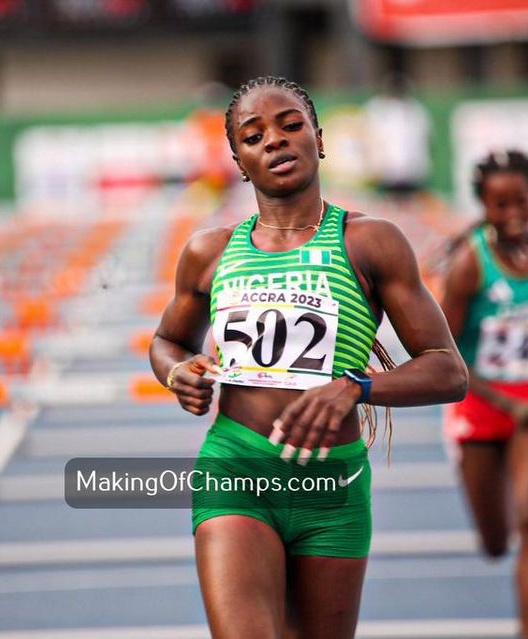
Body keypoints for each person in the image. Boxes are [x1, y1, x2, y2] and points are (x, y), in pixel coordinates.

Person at [149, 76, 467, 638]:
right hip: (237, 468)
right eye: (254, 136)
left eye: (290, 125)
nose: (274, 140)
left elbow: (447, 368)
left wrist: (357, 386)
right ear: (240, 162)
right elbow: (167, 342)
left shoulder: (370, 242)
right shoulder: (209, 252)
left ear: (318, 139)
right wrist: (178, 372)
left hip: (332, 486)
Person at [440, 149, 528, 639]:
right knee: (496, 542)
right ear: (483, 206)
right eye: (500, 204)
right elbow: (444, 355)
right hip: (479, 403)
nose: (513, 212)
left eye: (521, 200)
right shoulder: (468, 266)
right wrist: (504, 399)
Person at [362, 73, 432, 200]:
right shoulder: (375, 109)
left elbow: (423, 141)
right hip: (383, 173)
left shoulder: (415, 110)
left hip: (411, 172)